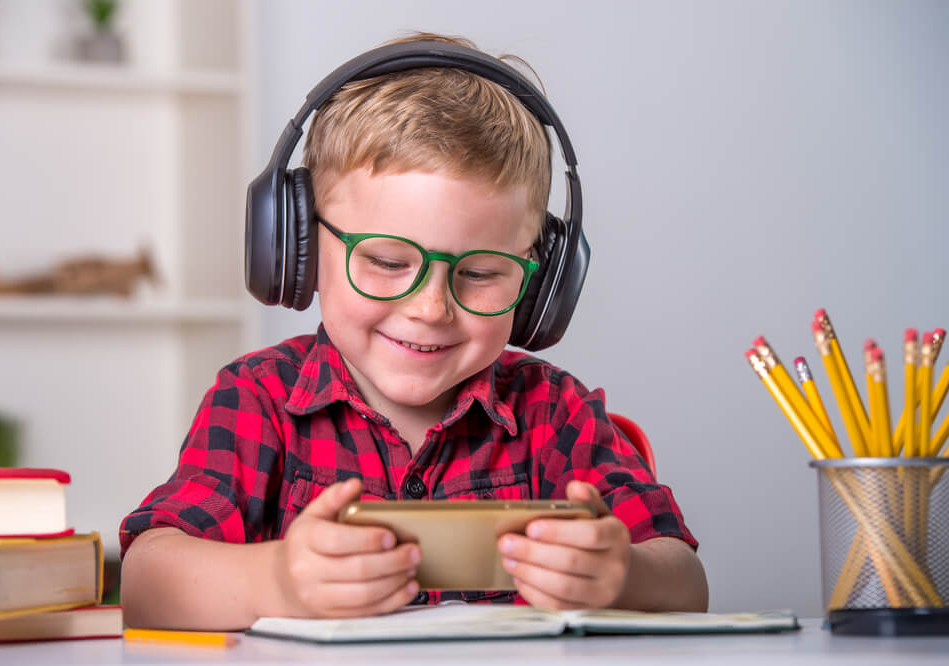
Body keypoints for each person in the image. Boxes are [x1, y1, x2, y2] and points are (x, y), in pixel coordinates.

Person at [119, 32, 707, 631]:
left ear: (542, 283)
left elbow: (685, 582)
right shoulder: (257, 399)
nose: (430, 308)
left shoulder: (556, 414)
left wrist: (622, 575)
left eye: (479, 273)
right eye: (386, 261)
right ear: (296, 249)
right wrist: (277, 580)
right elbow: (146, 580)